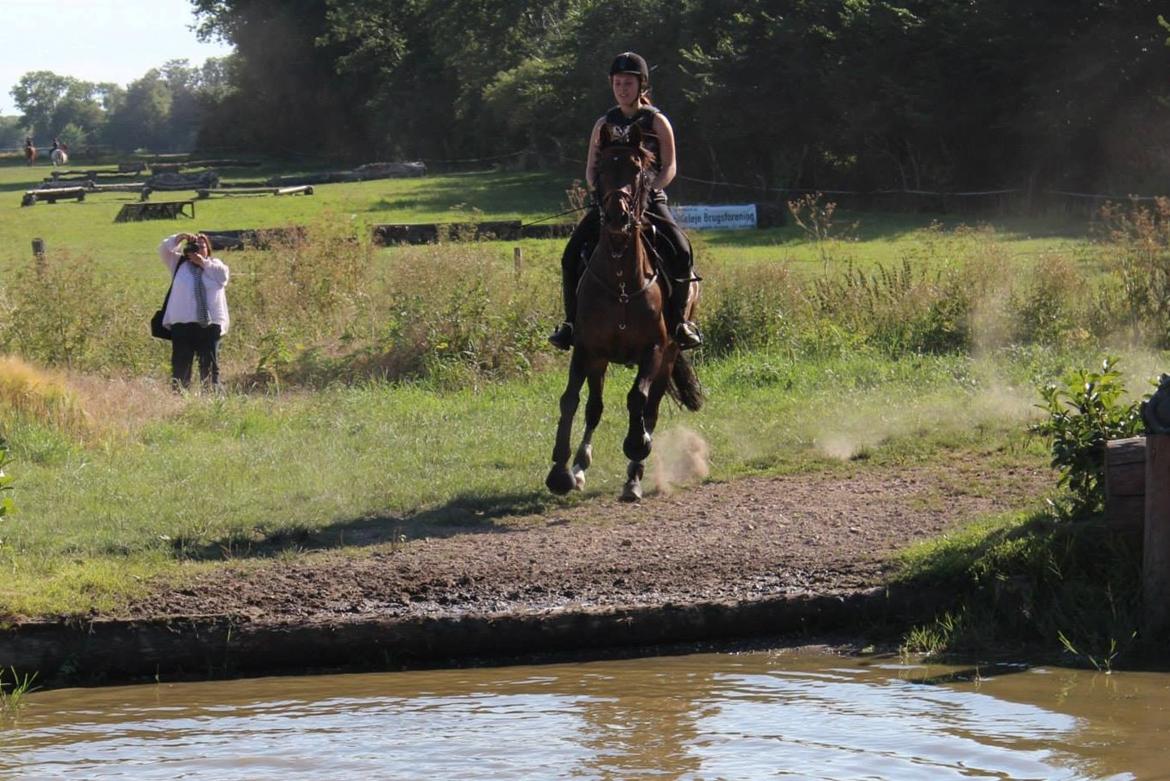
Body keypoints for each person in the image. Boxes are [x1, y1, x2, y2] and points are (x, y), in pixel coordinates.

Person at [548, 51, 701, 351]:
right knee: (571, 253)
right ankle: (570, 324)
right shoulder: (603, 123)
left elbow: (670, 166)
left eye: (628, 83)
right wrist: (601, 194)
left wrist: (650, 190)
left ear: (641, 84)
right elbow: (591, 168)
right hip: (611, 204)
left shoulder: (657, 121)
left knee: (681, 250)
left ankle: (680, 323)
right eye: (617, 83)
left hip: (649, 200)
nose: (622, 88)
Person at [158, 232, 230, 390]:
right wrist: (180, 237)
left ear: (208, 249)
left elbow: (223, 277)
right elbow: (163, 249)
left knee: (209, 365)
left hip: (210, 323)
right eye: (194, 246)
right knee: (181, 365)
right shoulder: (179, 264)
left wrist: (203, 263)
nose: (197, 249)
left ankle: (211, 396)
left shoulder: (215, 265)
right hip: (183, 322)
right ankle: (180, 396)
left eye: (201, 246)